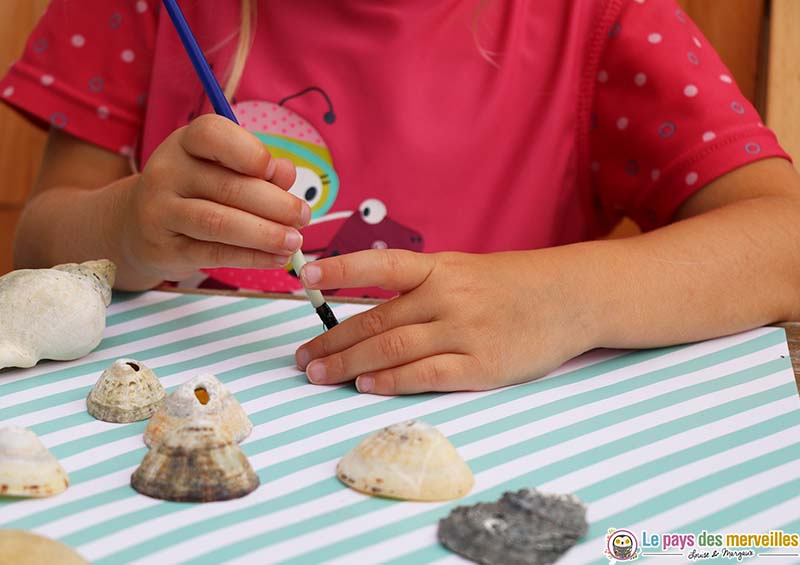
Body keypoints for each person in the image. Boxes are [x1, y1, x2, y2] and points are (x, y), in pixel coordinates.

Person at [2, 0, 799, 396]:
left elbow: (784, 239)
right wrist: (131, 225)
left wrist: (565, 300)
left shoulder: (592, 15)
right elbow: (41, 245)